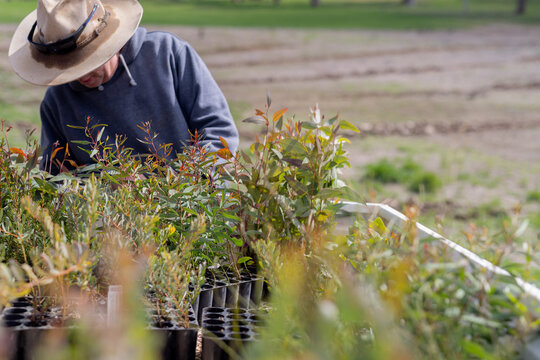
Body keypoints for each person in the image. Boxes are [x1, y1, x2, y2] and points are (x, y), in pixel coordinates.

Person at [8, 0, 239, 175]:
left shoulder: (168, 54)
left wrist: (182, 189)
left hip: (187, 211)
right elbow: (56, 177)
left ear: (108, 42)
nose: (80, 75)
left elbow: (219, 132)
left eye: (86, 62)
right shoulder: (56, 102)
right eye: (69, 68)